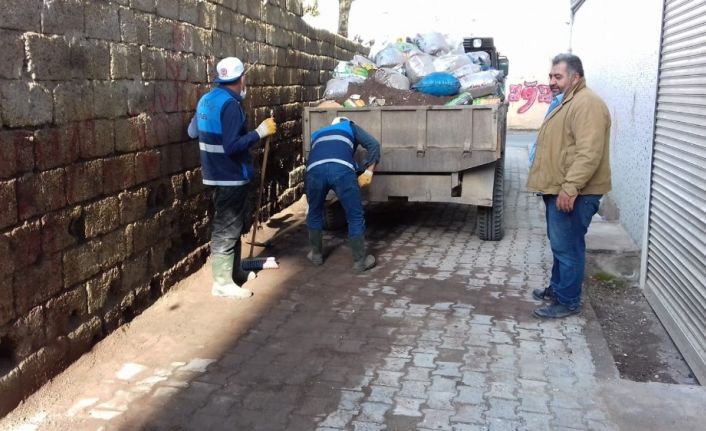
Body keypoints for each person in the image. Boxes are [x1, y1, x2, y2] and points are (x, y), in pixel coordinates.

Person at [527, 53, 612, 318]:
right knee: (560, 245)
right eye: (551, 75)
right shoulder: (566, 101)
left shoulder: (586, 104)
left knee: (569, 247)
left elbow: (589, 152)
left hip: (575, 192)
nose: (551, 81)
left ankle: (567, 301)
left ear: (575, 77)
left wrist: (570, 187)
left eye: (558, 76)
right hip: (559, 188)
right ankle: (558, 288)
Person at [191, 57, 277, 298]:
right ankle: (221, 283)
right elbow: (231, 146)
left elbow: (191, 131)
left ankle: (234, 272)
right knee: (227, 227)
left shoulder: (206, 100)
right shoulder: (231, 104)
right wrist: (259, 132)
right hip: (230, 174)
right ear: (242, 79)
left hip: (213, 173)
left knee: (233, 224)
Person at [305, 117, 380, 271]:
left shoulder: (317, 133)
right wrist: (368, 171)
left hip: (314, 170)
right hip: (341, 170)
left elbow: (318, 156)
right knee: (354, 215)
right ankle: (360, 262)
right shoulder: (349, 126)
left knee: (314, 212)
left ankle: (316, 255)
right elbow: (374, 145)